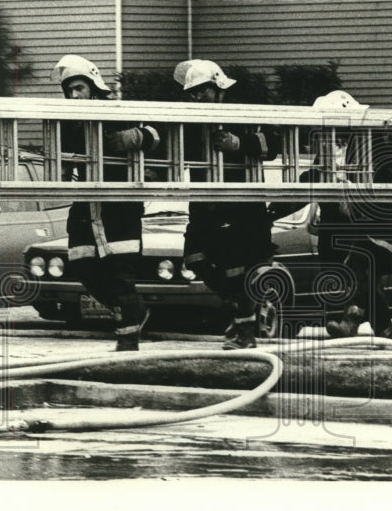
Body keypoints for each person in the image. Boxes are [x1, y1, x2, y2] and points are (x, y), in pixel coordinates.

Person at [52, 54, 161, 352]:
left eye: (79, 88)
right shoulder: (68, 125)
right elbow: (60, 159)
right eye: (69, 90)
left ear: (93, 86)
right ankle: (135, 312)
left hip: (119, 207)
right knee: (83, 268)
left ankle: (128, 342)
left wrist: (135, 136)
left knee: (119, 275)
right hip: (86, 208)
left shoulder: (118, 111)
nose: (73, 95)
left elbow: (157, 133)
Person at [174, 59, 280, 349]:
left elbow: (273, 143)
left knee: (236, 268)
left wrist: (239, 143)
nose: (197, 99)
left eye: (203, 92)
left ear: (218, 88)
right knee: (194, 258)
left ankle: (244, 334)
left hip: (241, 206)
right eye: (192, 93)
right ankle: (241, 308)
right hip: (205, 206)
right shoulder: (191, 123)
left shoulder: (244, 113)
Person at [302, 90, 392, 340]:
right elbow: (311, 176)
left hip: (372, 224)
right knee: (355, 278)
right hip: (338, 227)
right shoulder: (329, 146)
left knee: (363, 273)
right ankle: (383, 332)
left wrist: (390, 140)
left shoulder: (374, 138)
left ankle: (352, 320)